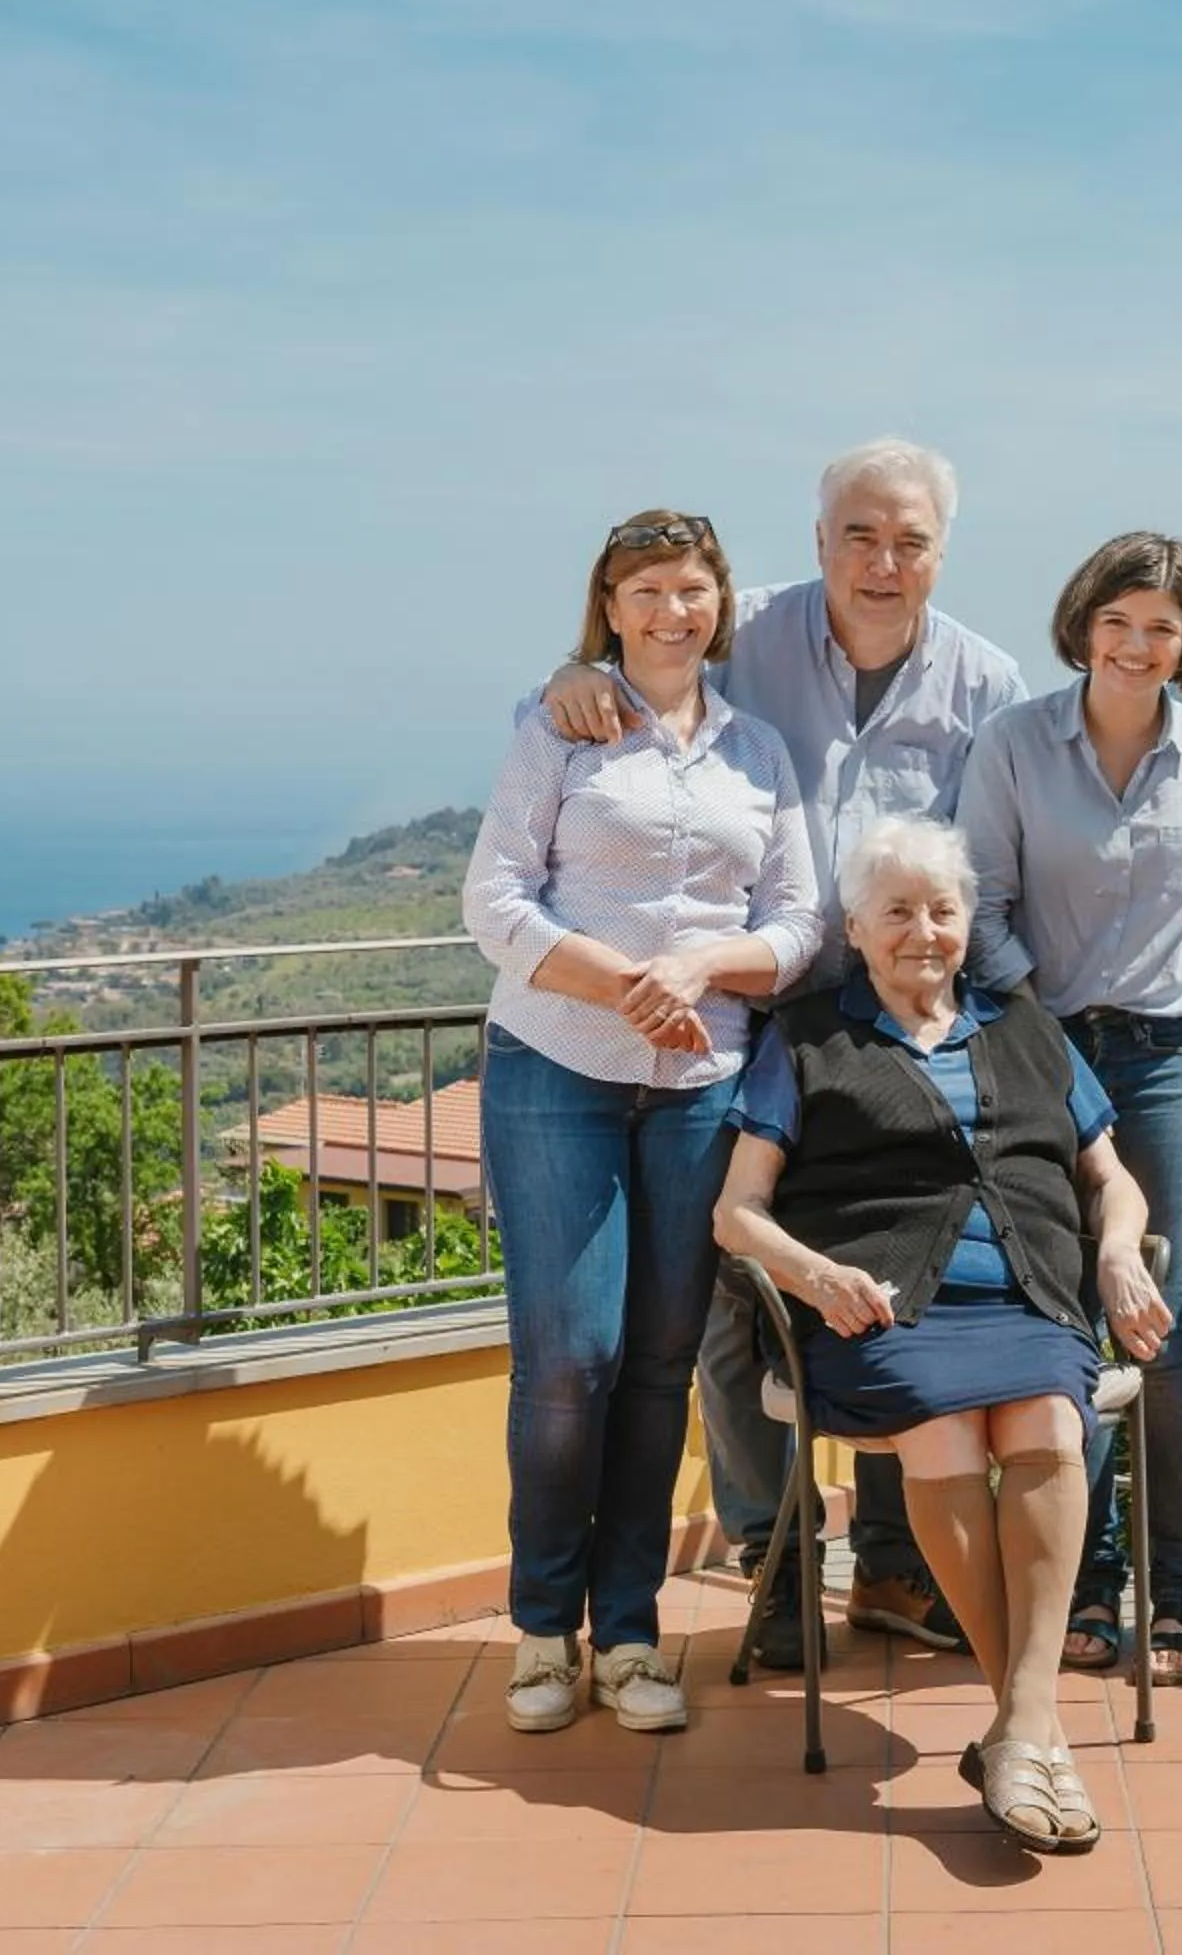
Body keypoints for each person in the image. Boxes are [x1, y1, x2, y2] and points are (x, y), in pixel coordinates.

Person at [545, 440, 1026, 1668]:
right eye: (858, 535)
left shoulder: (987, 681)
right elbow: (641, 643)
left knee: (898, 1271)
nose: (881, 561)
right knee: (730, 1299)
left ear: (940, 552)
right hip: (751, 1017)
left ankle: (900, 1569)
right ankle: (774, 1551)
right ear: (818, 541)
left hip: (894, 1027)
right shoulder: (742, 633)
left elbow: (984, 870)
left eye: (908, 540)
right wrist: (575, 670)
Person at [712, 816, 1164, 1852]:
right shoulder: (809, 1037)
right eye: (899, 911)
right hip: (878, 1312)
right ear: (857, 929)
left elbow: (1110, 1177)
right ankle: (1035, 1725)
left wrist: (1117, 1252)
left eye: (944, 910)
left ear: (970, 925)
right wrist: (817, 1274)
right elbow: (736, 1212)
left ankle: (1017, 1723)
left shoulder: (1025, 1027)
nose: (925, 930)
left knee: (1050, 1422)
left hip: (1029, 1299)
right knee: (946, 1431)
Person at [463, 510, 821, 1735]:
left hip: (699, 1087)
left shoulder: (759, 752)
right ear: (610, 605)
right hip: (557, 1065)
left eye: (694, 588)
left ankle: (626, 1634)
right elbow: (494, 900)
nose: (676, 610)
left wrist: (707, 962)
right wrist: (621, 984)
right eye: (649, 590)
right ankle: (539, 1631)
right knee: (569, 1360)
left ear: (721, 603)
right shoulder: (558, 723)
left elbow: (799, 922)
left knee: (662, 1361)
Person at [957, 530, 1182, 1687]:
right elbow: (982, 902)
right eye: (1120, 619)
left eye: (1163, 625)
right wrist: (1037, 1032)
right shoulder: (1012, 745)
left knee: (1160, 1322)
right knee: (1062, 1318)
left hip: (1162, 1059)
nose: (1139, 643)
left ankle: (1180, 1597)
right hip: (1036, 1049)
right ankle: (1090, 1587)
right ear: (1083, 622)